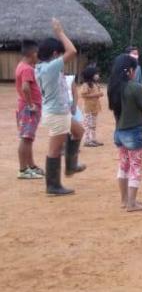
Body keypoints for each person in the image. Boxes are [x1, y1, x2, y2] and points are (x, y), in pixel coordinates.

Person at [35, 18, 85, 195]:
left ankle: (71, 166)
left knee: (78, 131)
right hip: (57, 113)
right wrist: (59, 32)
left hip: (58, 110)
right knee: (55, 149)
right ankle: (53, 185)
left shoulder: (42, 67)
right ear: (56, 53)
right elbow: (72, 50)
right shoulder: (49, 68)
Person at [108, 54, 142, 212]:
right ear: (130, 70)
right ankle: (132, 203)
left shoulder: (113, 87)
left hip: (119, 131)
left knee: (123, 165)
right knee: (136, 167)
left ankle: (124, 200)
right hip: (134, 130)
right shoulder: (135, 87)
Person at [15, 40, 44, 179]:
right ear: (33, 53)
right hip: (29, 108)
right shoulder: (27, 68)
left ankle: (31, 165)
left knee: (28, 138)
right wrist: (31, 104)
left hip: (26, 107)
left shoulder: (21, 66)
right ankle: (23, 170)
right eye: (37, 52)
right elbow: (26, 87)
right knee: (26, 138)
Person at [80, 66, 104, 147]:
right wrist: (97, 94)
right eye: (96, 74)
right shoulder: (85, 85)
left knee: (93, 125)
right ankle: (87, 141)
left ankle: (93, 139)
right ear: (91, 75)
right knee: (87, 125)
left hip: (94, 107)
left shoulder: (95, 84)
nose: (97, 75)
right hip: (88, 108)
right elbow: (83, 95)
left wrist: (99, 93)